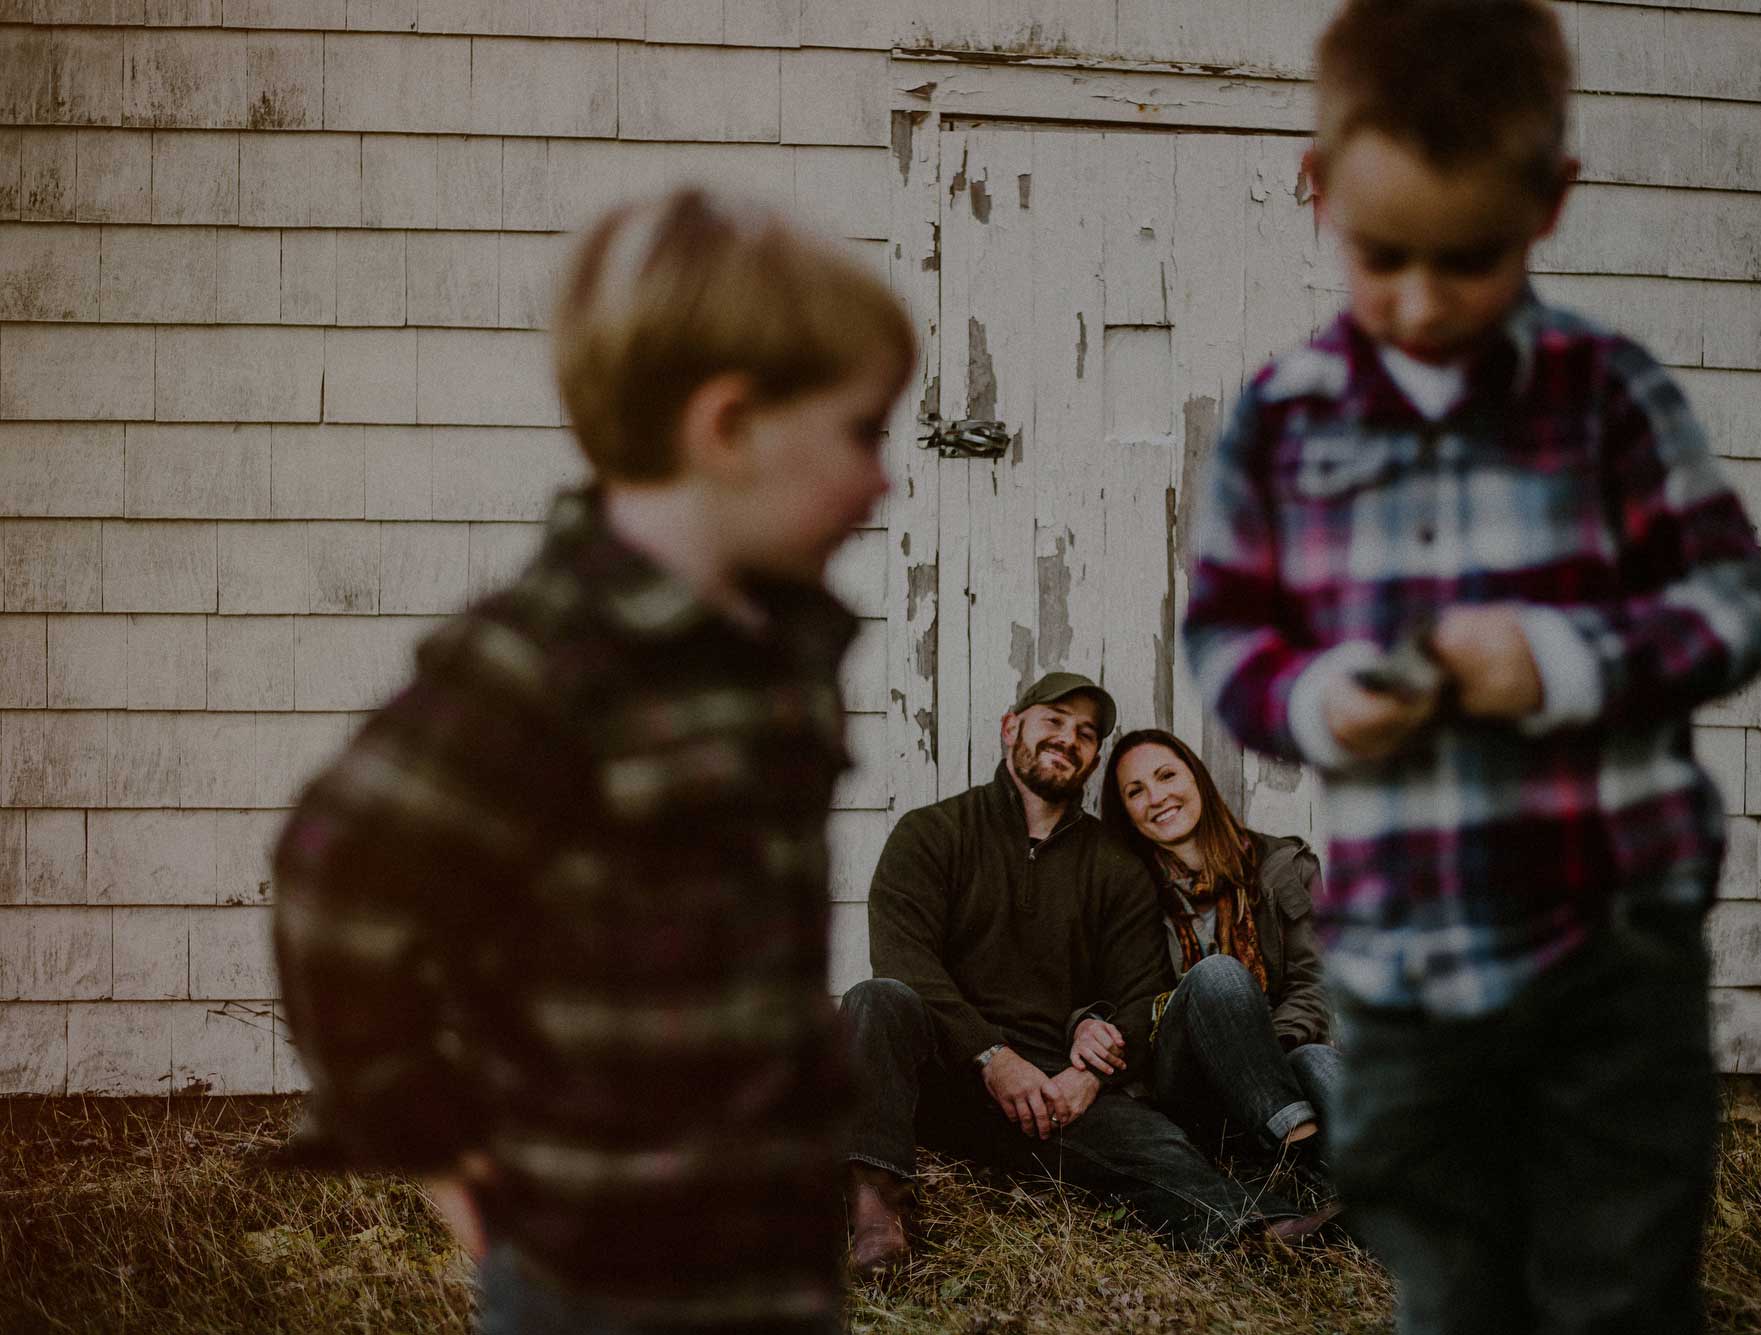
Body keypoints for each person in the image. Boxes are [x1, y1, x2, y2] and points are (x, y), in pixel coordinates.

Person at [1181, 2, 1761, 1331]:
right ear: (1323, 186)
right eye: (1383, 254)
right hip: (1408, 964)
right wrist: (1317, 697)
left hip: (1610, 955)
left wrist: (1568, 658)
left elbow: (1735, 598)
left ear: (1550, 200)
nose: (1420, 298)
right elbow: (1228, 640)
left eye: (1472, 258)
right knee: (1451, 1281)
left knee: (1617, 1281)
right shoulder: (1285, 423)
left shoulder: (1611, 396)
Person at [271, 186, 915, 1335]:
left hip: (767, 1236)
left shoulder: (782, 645)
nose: (885, 478)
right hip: (595, 1264)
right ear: (727, 427)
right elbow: (337, 878)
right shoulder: (537, 661)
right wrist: (427, 1133)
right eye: (864, 432)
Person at [841, 674, 1338, 1275]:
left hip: (1057, 1095)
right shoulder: (933, 833)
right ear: (1011, 727)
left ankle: (1262, 1226)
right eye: (1052, 720)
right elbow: (903, 959)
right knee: (875, 998)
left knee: (1156, 1146)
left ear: (1092, 758)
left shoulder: (1115, 864)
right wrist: (992, 1056)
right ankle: (876, 1211)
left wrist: (1086, 1074)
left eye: (1084, 733)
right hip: (946, 1076)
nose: (1067, 739)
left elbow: (1142, 990)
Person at [1100, 729, 1342, 1187]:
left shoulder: (1283, 866)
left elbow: (1314, 984)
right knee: (1216, 976)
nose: (1157, 797)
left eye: (1166, 775)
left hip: (1281, 1059)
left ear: (1197, 779)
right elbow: (1110, 995)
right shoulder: (1126, 892)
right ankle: (1300, 1153)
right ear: (1126, 814)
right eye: (1136, 791)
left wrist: (1260, 1055)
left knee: (1317, 1060)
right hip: (1187, 1085)